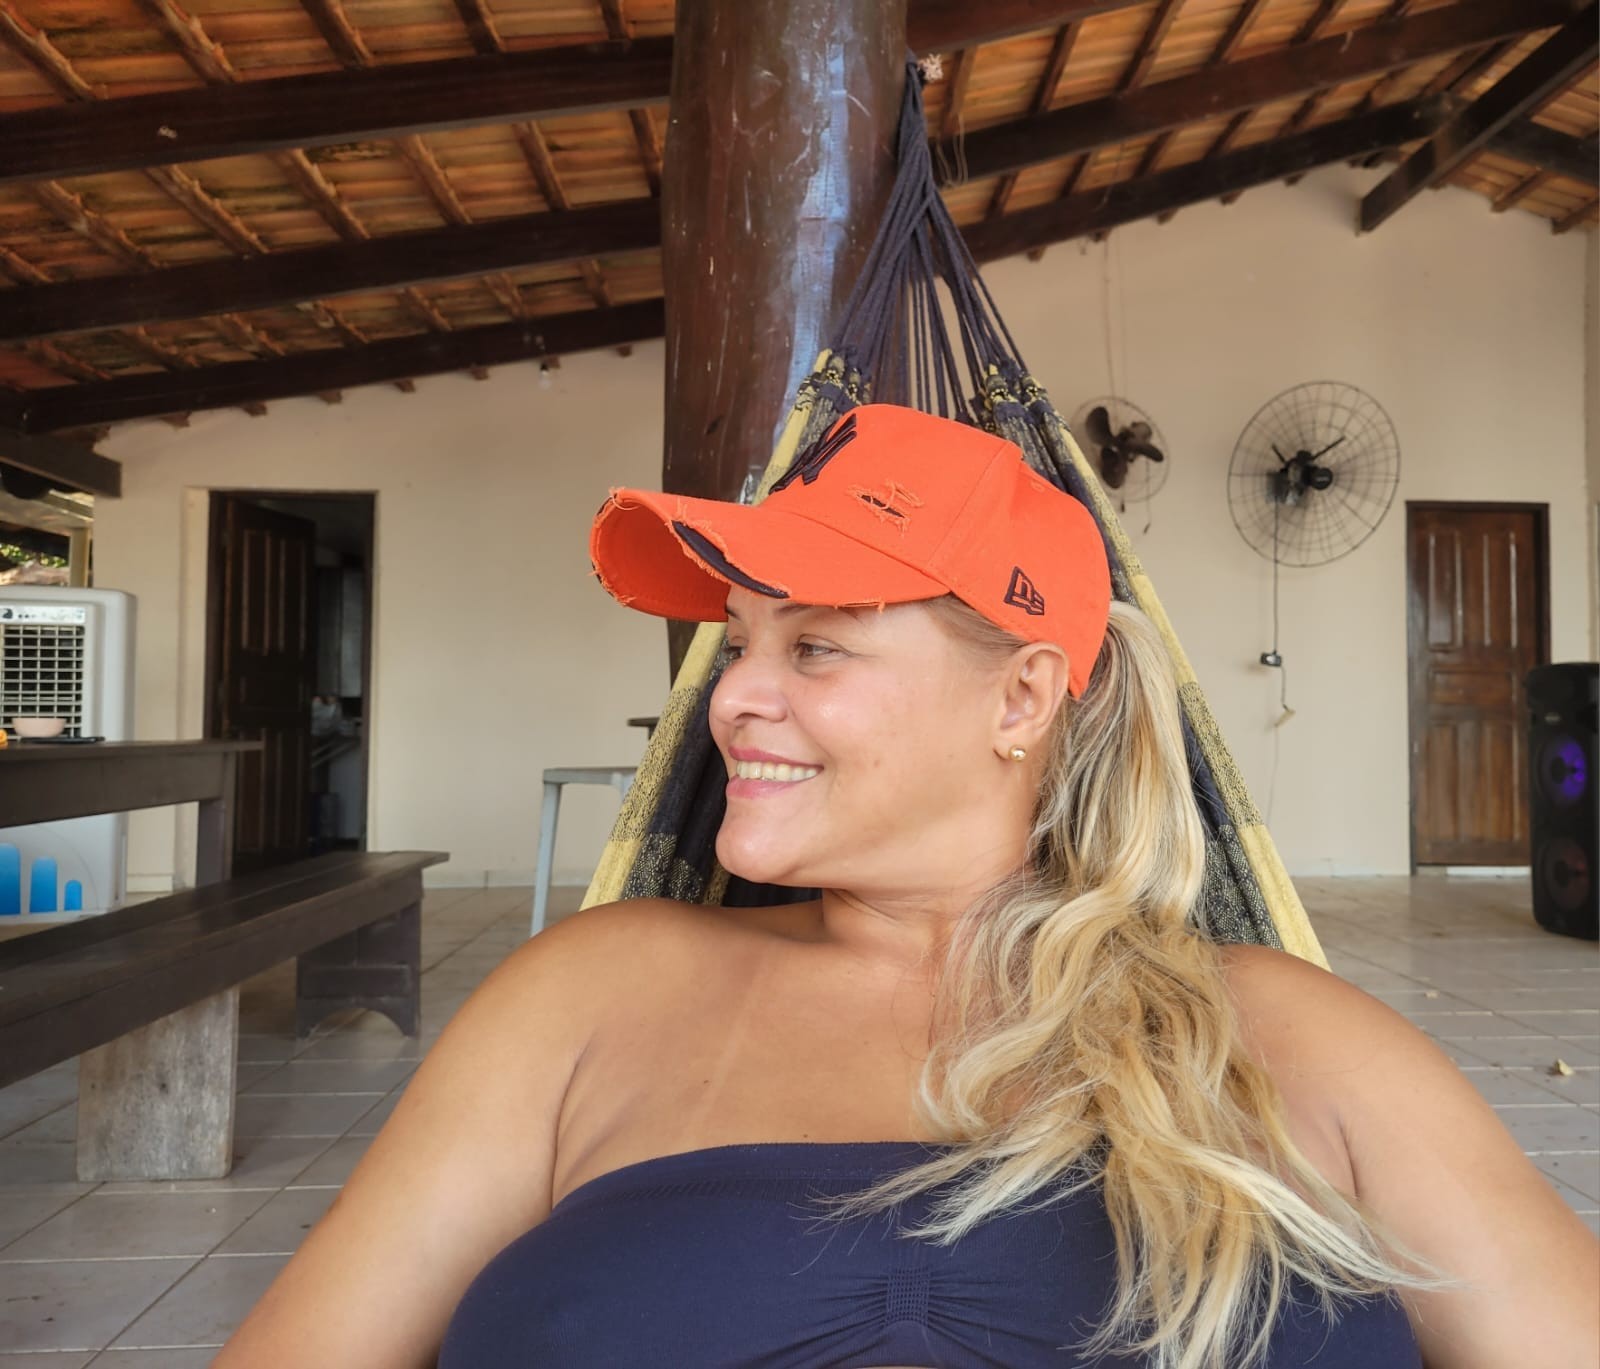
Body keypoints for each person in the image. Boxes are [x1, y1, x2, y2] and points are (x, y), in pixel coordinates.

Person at [216, 405, 1598, 1368]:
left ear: (1023, 698)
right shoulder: (583, 997)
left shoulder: (1293, 1039)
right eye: (738, 642)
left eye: (815, 647)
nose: (731, 698)